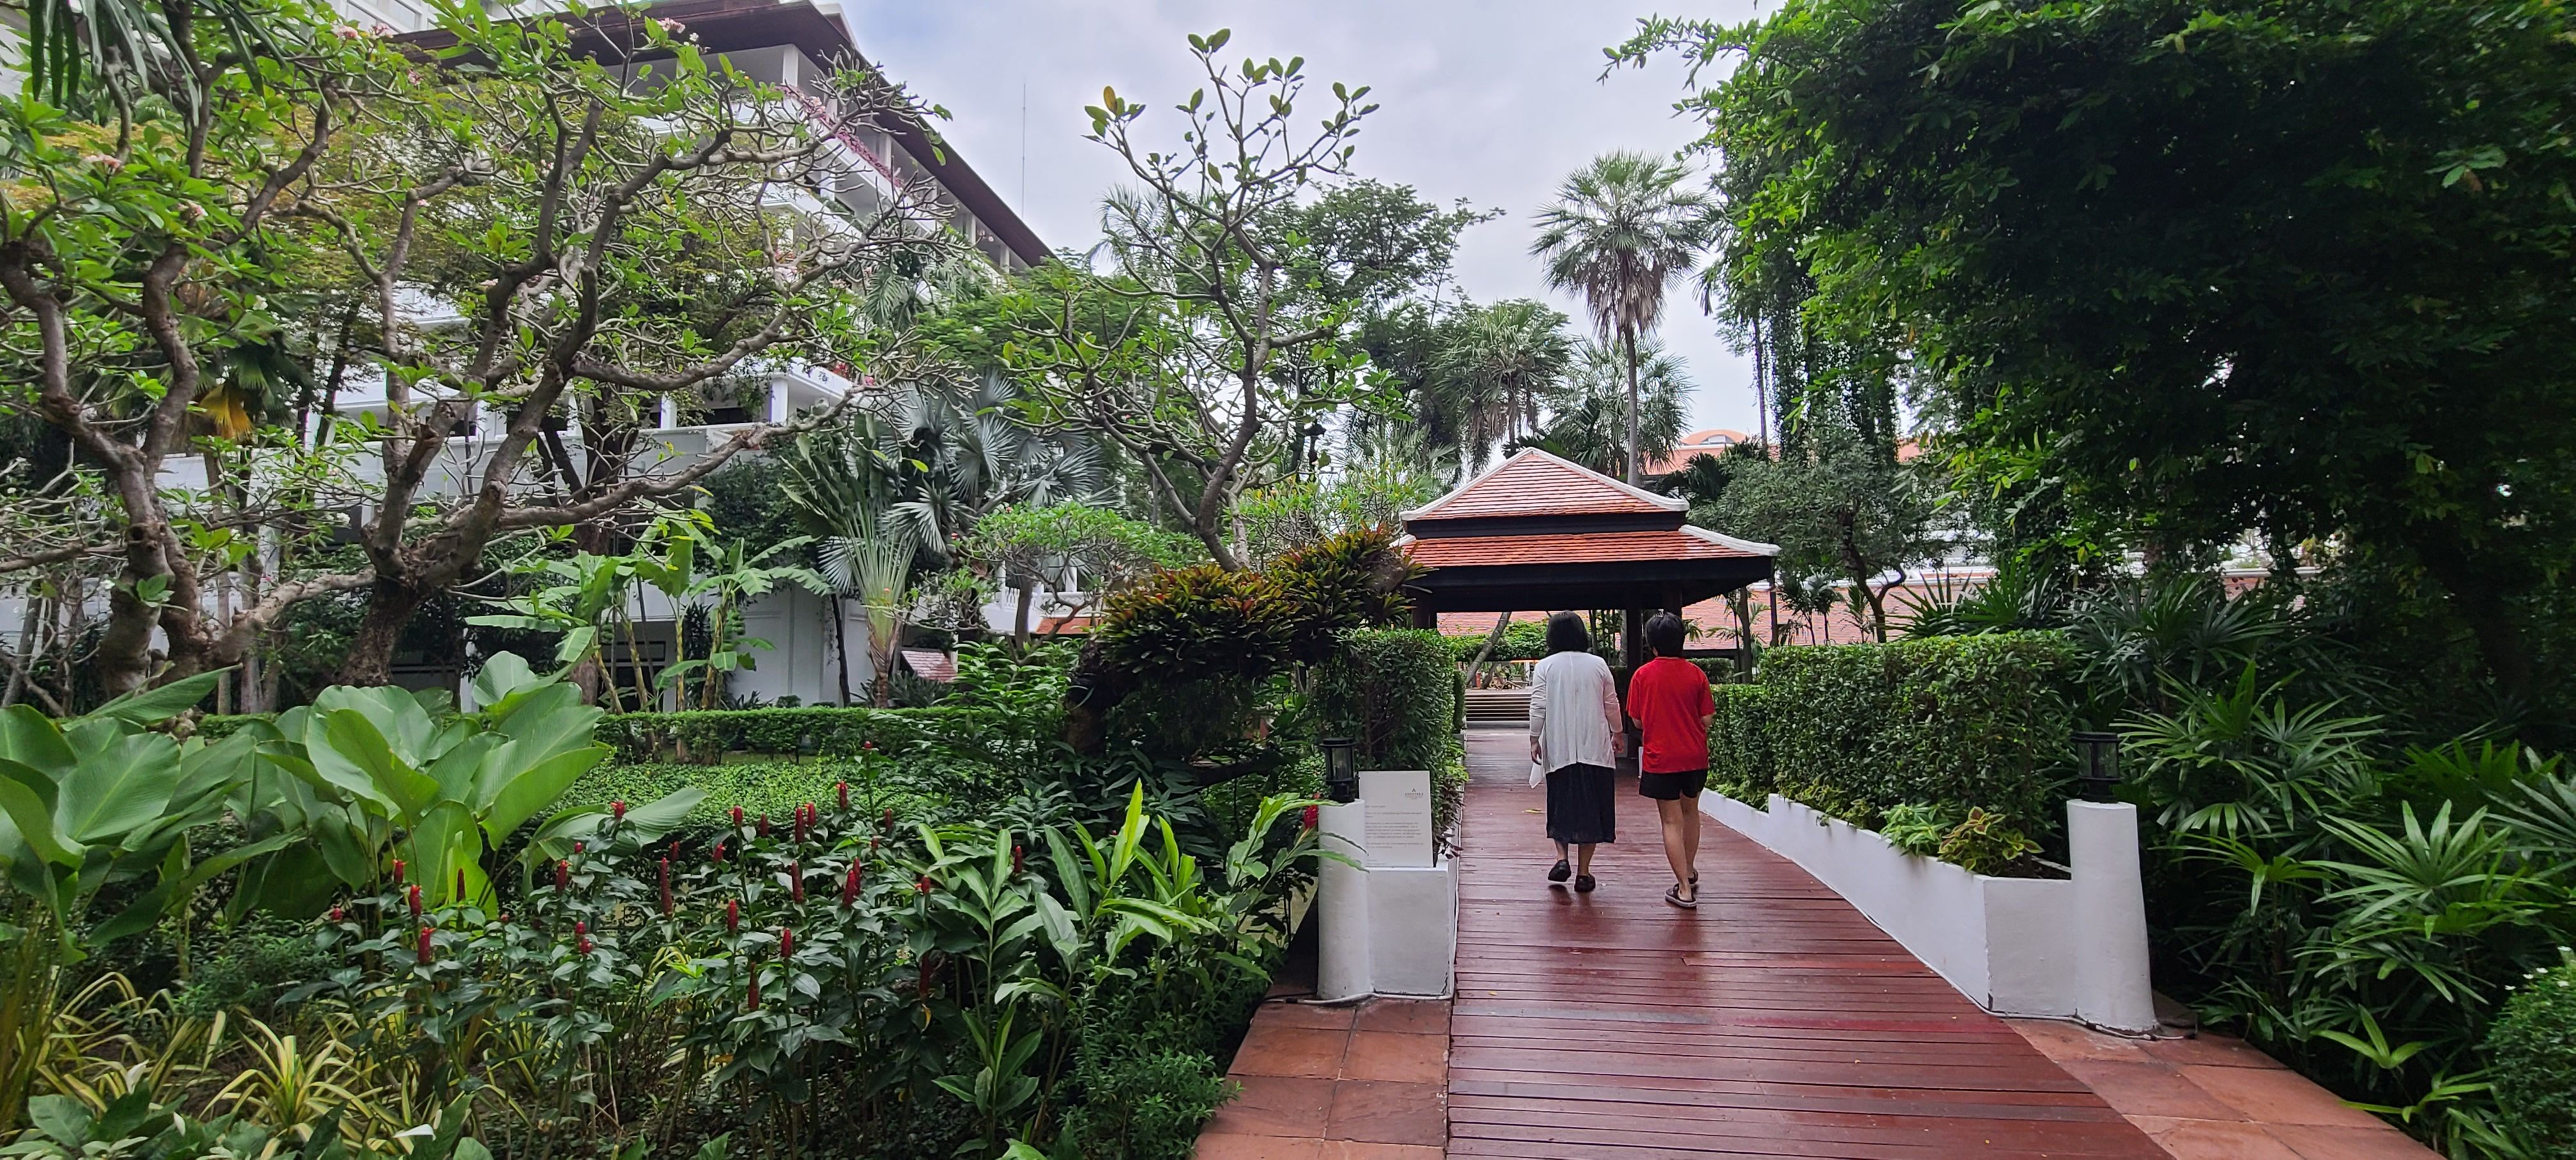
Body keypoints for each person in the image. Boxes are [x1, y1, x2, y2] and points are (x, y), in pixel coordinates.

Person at [1528, 611, 1623, 892]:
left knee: (1560, 804)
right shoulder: (1598, 664)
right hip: (1595, 748)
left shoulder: (1545, 666)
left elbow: (1538, 705)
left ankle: (1562, 858)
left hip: (1561, 750)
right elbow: (1611, 702)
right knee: (1593, 808)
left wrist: (1534, 738)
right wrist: (1617, 732)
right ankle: (1584, 872)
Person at [1625, 612, 1715, 908]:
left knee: (1670, 821)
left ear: (1652, 645)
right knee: (1691, 813)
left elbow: (1637, 722)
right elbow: (1707, 719)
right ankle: (1689, 870)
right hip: (1695, 756)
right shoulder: (1696, 674)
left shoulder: (1642, 676)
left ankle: (1684, 889)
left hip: (1661, 757)